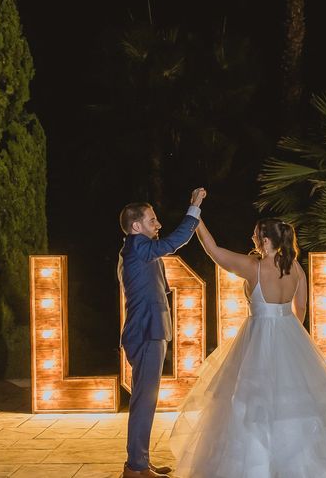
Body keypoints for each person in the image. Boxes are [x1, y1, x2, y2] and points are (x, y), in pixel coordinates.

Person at [168, 217, 326, 477]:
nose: (252, 239)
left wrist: (196, 218)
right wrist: (289, 335)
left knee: (249, 402)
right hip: (289, 333)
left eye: (255, 236)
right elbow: (301, 309)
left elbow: (214, 251)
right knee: (297, 402)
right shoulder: (296, 268)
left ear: (265, 241)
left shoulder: (253, 267)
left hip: (257, 337)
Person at [119, 188, 207, 478]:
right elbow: (173, 242)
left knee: (146, 399)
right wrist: (193, 207)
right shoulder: (136, 247)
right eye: (152, 220)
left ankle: (139, 462)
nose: (158, 224)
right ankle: (136, 468)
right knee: (144, 400)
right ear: (136, 226)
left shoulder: (139, 251)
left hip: (151, 331)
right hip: (146, 332)